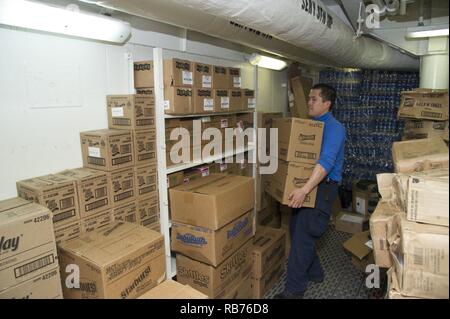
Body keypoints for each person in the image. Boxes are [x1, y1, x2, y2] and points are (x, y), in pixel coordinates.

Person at [275, 83, 346, 299]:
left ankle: (294, 291)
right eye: (309, 98)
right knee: (298, 230)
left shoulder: (335, 128)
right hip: (309, 184)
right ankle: (315, 273)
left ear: (327, 103)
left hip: (322, 188)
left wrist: (304, 190)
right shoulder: (312, 126)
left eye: (314, 98)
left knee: (303, 237)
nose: (309, 102)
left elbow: (326, 162)